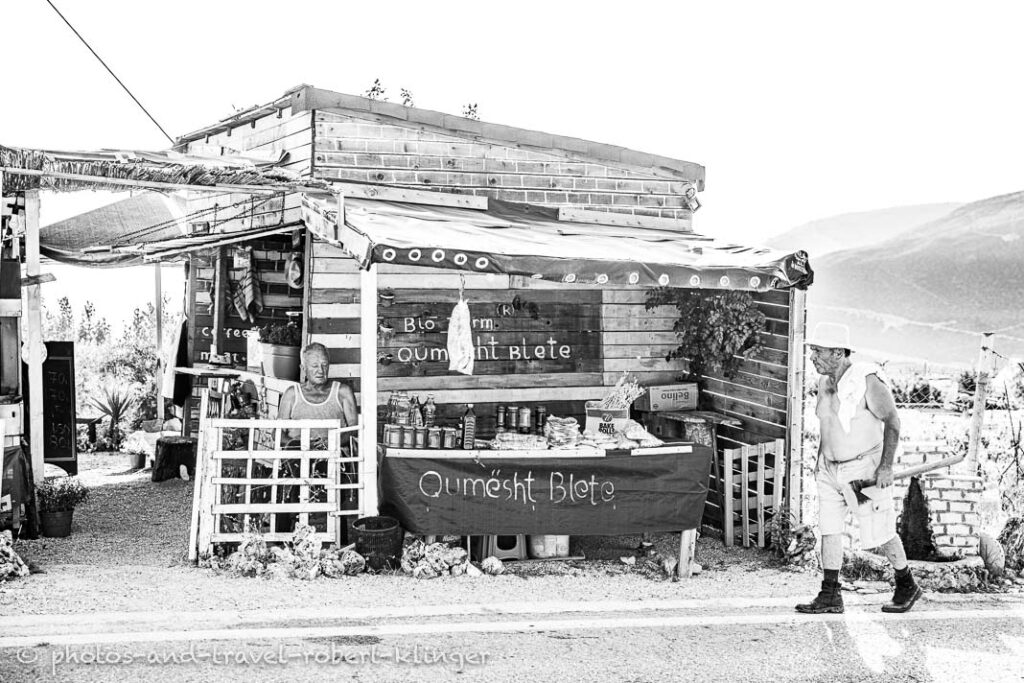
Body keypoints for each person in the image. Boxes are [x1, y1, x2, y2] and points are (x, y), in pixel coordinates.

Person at [796, 323, 922, 615]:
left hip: (861, 472)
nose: (812, 357)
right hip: (829, 471)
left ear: (838, 353)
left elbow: (893, 422)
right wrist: (819, 463)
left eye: (818, 351)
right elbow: (827, 425)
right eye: (812, 350)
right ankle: (830, 594)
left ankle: (906, 584)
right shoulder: (824, 383)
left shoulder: (868, 381)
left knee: (879, 531)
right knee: (830, 529)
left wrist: (886, 467)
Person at [277, 342, 357, 429]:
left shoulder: (342, 392)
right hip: (299, 442)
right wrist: (294, 442)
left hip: (334, 442)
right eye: (315, 366)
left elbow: (354, 429)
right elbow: (278, 433)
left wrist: (332, 440)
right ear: (303, 369)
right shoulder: (292, 394)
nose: (321, 371)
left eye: (325, 365)